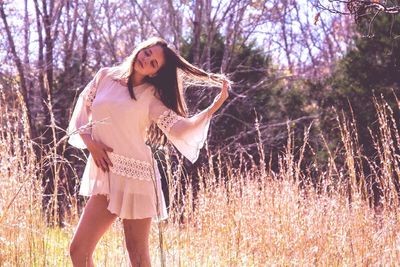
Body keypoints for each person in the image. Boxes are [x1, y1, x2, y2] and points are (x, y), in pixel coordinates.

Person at [67, 37, 230, 266]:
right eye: (147, 52)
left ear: (154, 73)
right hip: (106, 172)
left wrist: (213, 108)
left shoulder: (150, 95)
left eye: (153, 63)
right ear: (140, 48)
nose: (146, 59)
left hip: (137, 176)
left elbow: (181, 129)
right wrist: (90, 144)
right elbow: (81, 115)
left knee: (138, 257)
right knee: (79, 251)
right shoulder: (105, 76)